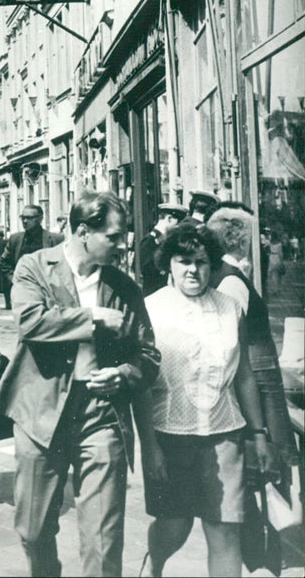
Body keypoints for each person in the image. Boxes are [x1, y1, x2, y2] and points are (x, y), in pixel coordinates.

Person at [0, 189, 160, 578]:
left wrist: (124, 373)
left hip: (101, 415)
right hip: (40, 413)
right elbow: (30, 322)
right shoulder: (33, 266)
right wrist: (94, 317)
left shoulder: (124, 285)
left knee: (103, 538)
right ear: (84, 231)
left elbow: (148, 355)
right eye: (113, 237)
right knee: (32, 530)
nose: (122, 244)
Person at [134, 223, 273, 577]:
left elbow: (242, 374)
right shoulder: (150, 309)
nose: (193, 270)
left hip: (225, 432)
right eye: (184, 261)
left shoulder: (229, 307)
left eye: (202, 261)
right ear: (169, 264)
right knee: (174, 526)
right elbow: (144, 386)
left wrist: (259, 434)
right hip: (170, 433)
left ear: (212, 264)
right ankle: (155, 563)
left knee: (225, 530)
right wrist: (150, 447)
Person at [206, 207, 298, 491]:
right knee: (271, 452)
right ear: (240, 239)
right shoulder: (232, 280)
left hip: (256, 374)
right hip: (258, 378)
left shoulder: (227, 274)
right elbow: (231, 336)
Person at [140, 203, 187, 296]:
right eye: (177, 224)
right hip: (153, 293)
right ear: (169, 219)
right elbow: (146, 269)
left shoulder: (165, 239)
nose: (178, 228)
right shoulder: (150, 240)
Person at [0, 204, 45, 287]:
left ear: (40, 219)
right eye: (23, 218)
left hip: (44, 288)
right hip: (21, 288)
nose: (25, 221)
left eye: (29, 218)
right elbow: (3, 261)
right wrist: (13, 278)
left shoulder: (55, 239)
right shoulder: (15, 239)